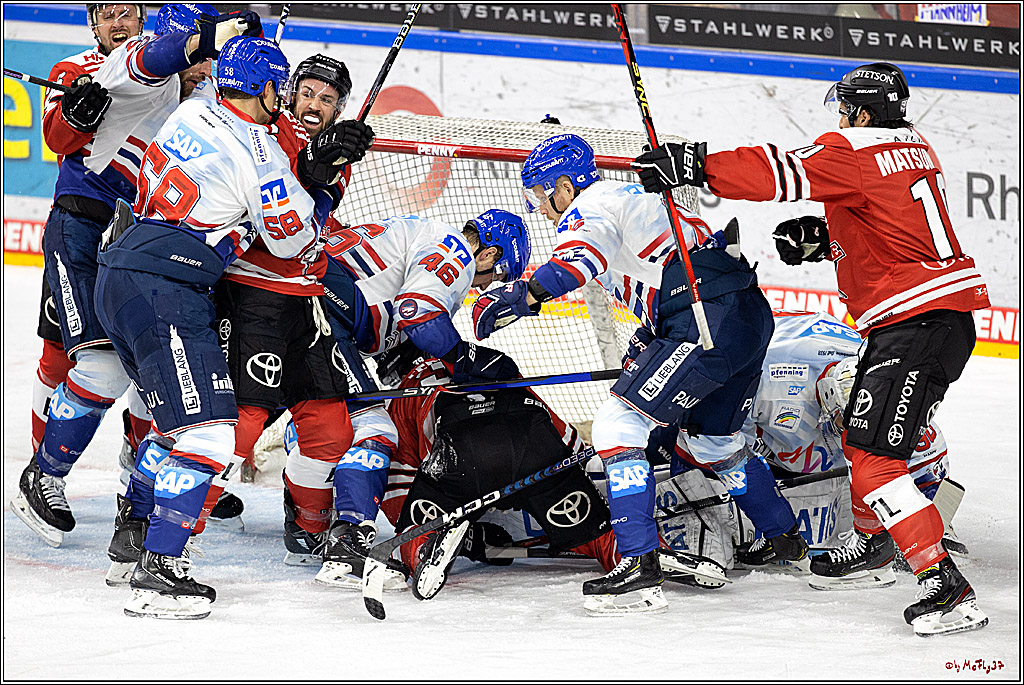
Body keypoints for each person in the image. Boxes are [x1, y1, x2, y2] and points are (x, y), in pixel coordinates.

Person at [633, 62, 990, 636]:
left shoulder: (853, 147)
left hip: (915, 327)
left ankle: (944, 588)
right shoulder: (913, 146)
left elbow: (781, 170)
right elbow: (895, 223)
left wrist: (697, 166)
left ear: (863, 112)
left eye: (847, 107)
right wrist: (830, 241)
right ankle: (873, 541)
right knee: (862, 442)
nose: (841, 117)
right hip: (941, 321)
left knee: (874, 463)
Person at [472, 134, 775, 615]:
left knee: (619, 424)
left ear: (564, 186)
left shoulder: (590, 205)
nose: (542, 211)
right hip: (746, 316)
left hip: (703, 317)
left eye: (539, 196)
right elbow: (649, 273)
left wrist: (523, 295)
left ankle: (639, 568)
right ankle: (787, 542)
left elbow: (577, 261)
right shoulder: (630, 200)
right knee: (712, 445)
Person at [11, 2, 261, 549]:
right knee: (90, 361)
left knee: (151, 373)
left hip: (143, 238)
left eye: (130, 12)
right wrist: (75, 114)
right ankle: (44, 474)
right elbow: (58, 138)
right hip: (84, 222)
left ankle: (138, 482)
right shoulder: (92, 66)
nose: (120, 22)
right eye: (109, 14)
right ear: (94, 24)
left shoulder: (197, 96)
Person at [94, 34, 322, 619]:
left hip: (119, 268)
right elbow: (293, 237)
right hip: (169, 285)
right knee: (210, 432)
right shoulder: (264, 154)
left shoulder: (190, 108)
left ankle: (135, 536)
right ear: (269, 90)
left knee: (173, 429)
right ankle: (160, 573)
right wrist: (313, 188)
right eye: (283, 88)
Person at [345, 356, 727, 602]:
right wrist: (571, 477)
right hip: (533, 440)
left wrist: (412, 523)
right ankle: (638, 552)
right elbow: (565, 437)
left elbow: (400, 476)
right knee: (594, 533)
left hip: (461, 450)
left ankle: (429, 547)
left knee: (421, 524)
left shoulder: (400, 395)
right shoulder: (487, 359)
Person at [300, 209, 531, 587]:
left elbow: (397, 346)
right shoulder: (453, 249)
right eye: (496, 276)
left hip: (282, 303)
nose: (483, 286)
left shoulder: (419, 240)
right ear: (488, 254)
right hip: (317, 312)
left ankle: (302, 527)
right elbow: (417, 313)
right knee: (373, 429)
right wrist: (464, 360)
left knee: (237, 417)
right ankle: (345, 548)